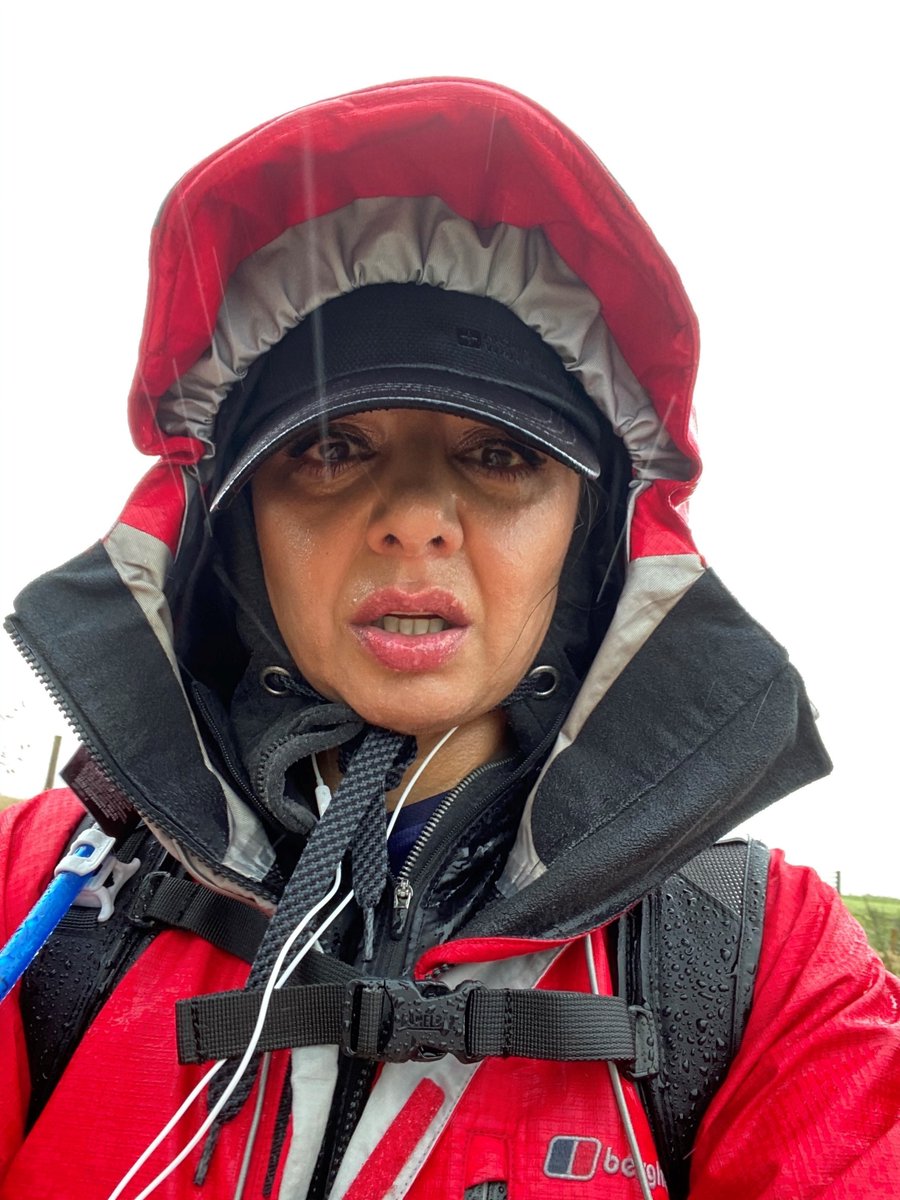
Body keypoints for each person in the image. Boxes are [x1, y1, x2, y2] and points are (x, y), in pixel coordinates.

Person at [0, 78, 897, 1200]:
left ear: (593, 540)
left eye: (501, 456)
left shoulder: (767, 962)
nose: (415, 517)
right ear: (236, 533)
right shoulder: (37, 890)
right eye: (329, 448)